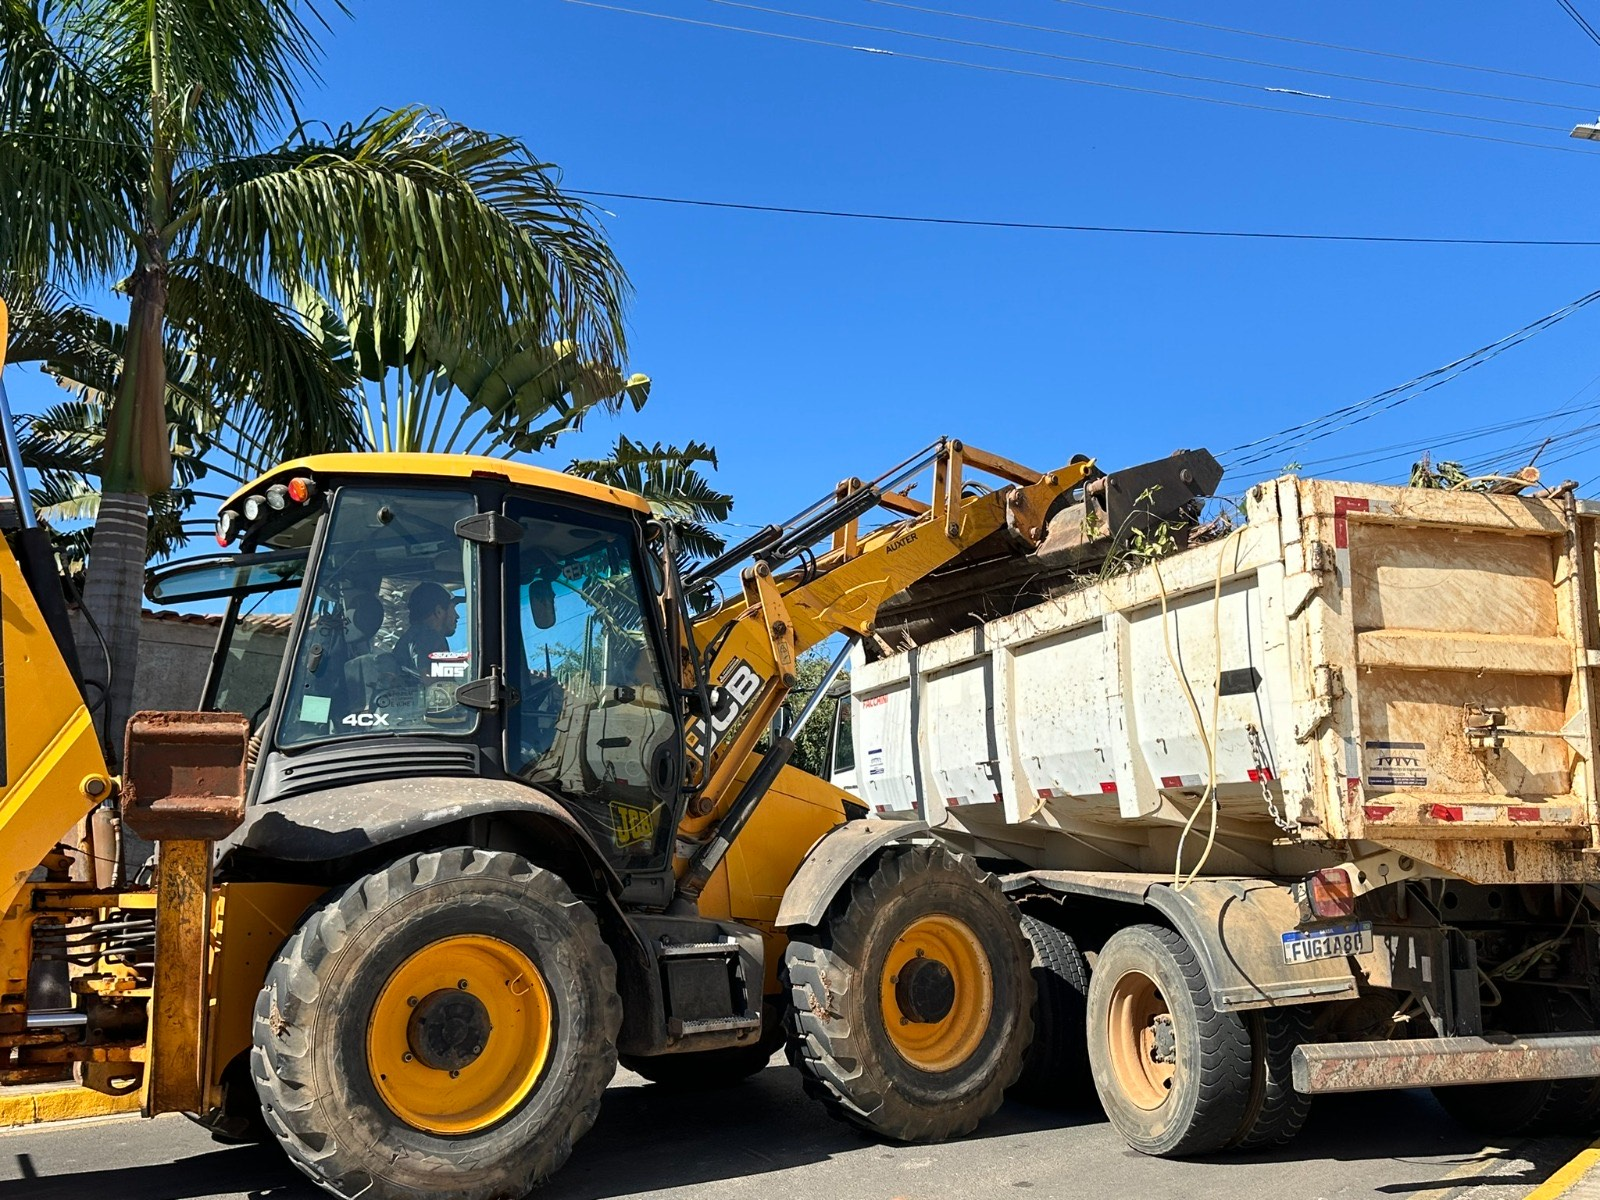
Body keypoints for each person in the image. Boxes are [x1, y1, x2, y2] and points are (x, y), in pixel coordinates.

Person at [396, 580, 460, 673]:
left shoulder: (414, 636)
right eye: (453, 608)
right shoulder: (429, 638)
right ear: (439, 611)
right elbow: (437, 680)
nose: (457, 616)